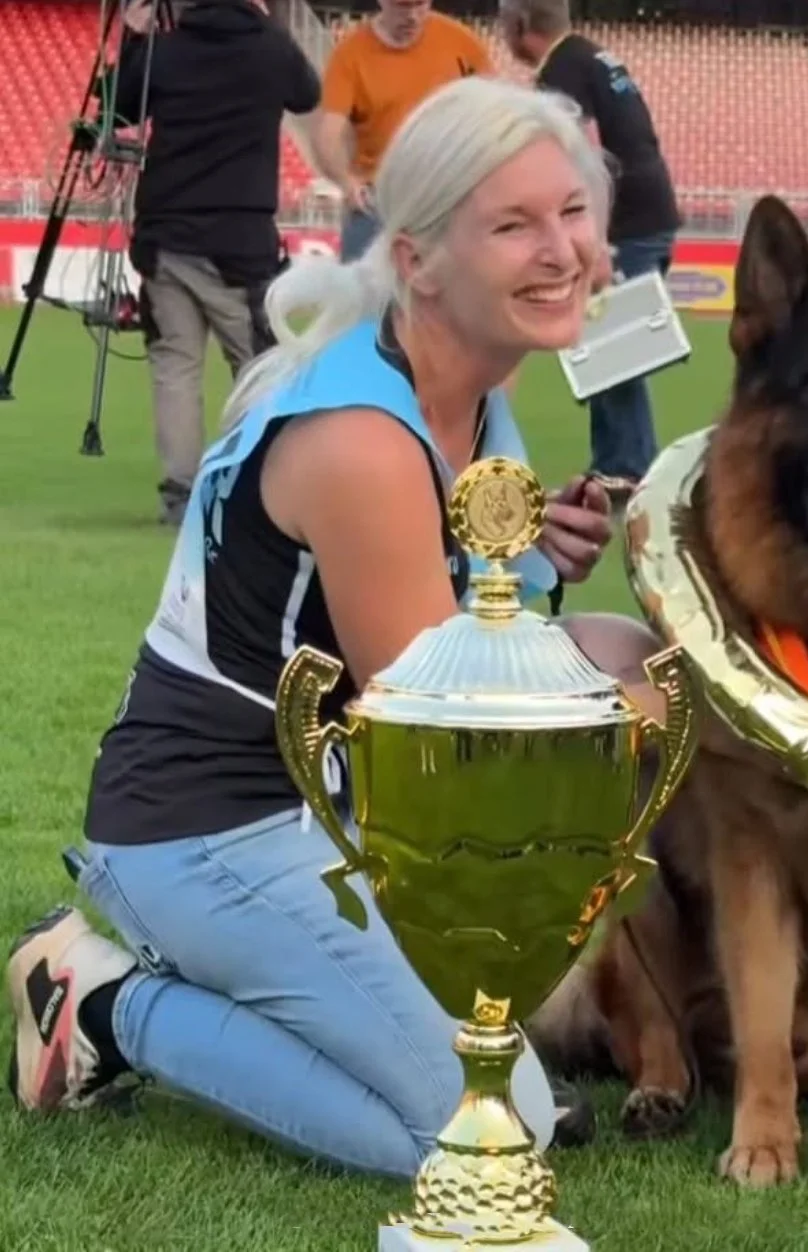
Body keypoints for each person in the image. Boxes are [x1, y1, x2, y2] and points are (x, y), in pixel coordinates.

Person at [7, 77, 664, 1177]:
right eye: (512, 224)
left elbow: (455, 625)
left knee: (620, 647)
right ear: (417, 262)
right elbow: (447, 728)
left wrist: (534, 570)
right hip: (207, 834)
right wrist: (665, 710)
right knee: (479, 1145)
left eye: (571, 212)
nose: (564, 251)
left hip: (331, 810)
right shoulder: (361, 438)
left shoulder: (469, 388)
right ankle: (104, 1003)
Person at [114, 0, 320, 527]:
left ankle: (181, 494)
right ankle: (258, 485)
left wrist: (134, 39)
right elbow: (308, 93)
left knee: (174, 368)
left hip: (167, 235)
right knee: (258, 368)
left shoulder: (166, 49)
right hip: (240, 241)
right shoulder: (270, 47)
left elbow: (117, 110)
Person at [500, 0, 680, 502]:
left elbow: (586, 155)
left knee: (613, 346)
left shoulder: (563, 71)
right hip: (651, 211)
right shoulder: (591, 57)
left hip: (628, 222)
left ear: (519, 25)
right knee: (609, 343)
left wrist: (597, 240)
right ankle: (620, 463)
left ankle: (627, 466)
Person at [315, 0, 493, 262]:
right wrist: (346, 181)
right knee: (363, 296)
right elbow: (328, 133)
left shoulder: (461, 43)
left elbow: (497, 105)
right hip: (378, 199)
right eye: (402, 7)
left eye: (420, 6)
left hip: (445, 195)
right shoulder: (350, 55)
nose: (412, 17)